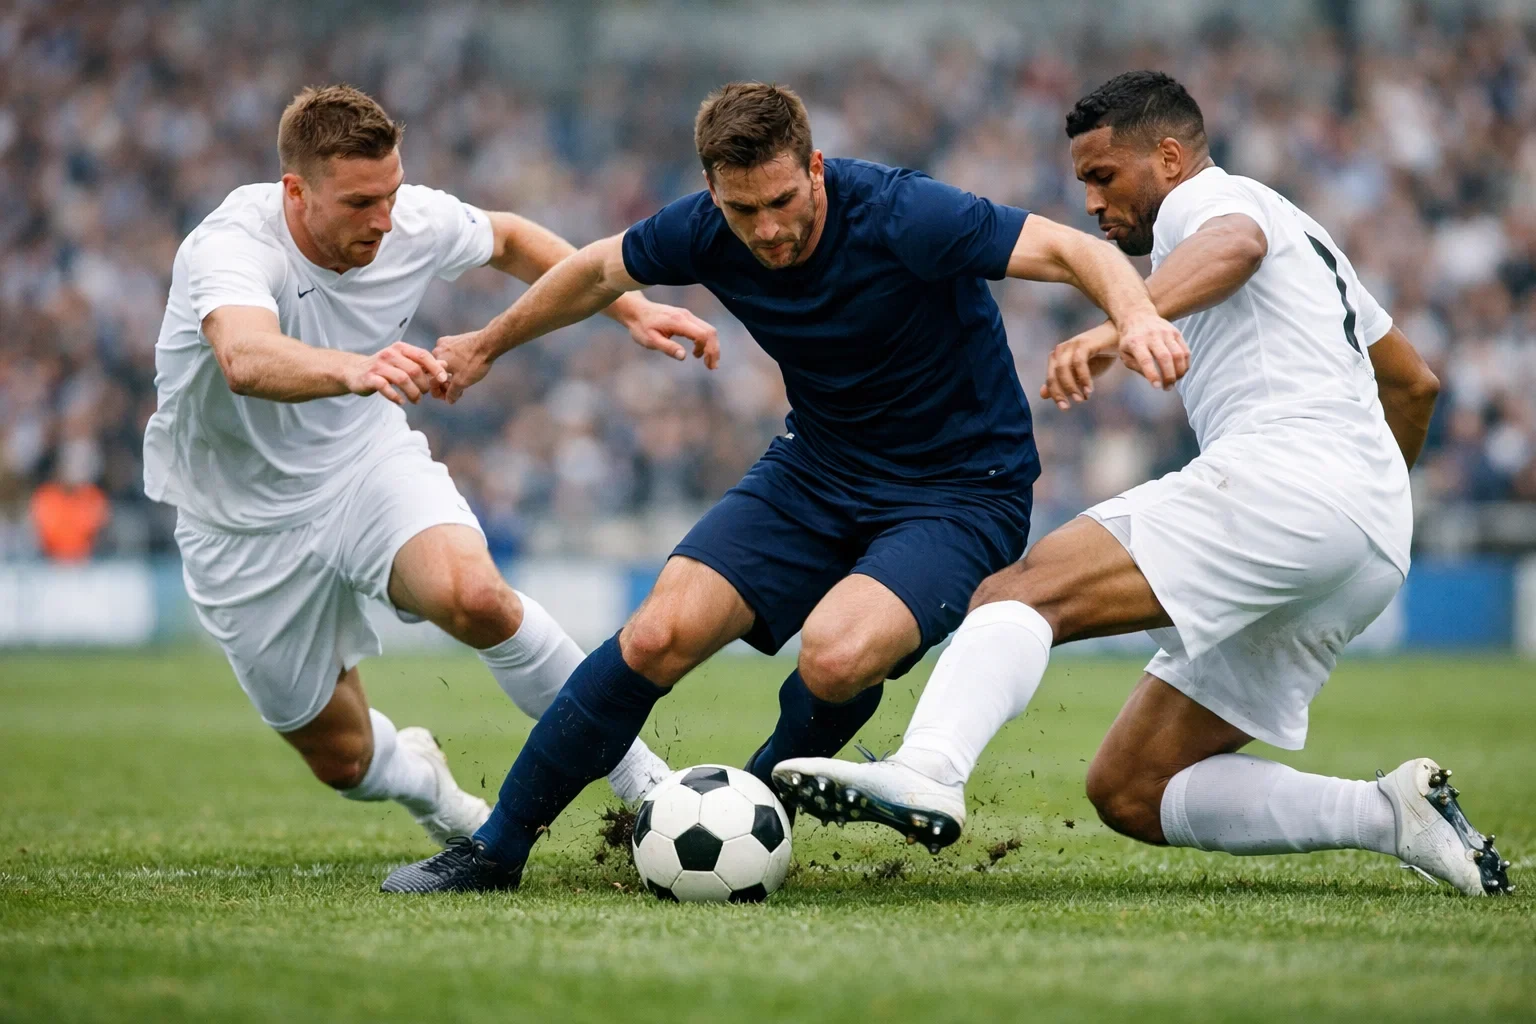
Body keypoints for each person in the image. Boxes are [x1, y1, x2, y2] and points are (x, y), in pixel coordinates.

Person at [380, 81, 1186, 892]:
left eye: (781, 201)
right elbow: (593, 271)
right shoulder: (702, 231)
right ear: (712, 193)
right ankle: (495, 850)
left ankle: (760, 799)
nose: (766, 229)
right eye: (742, 210)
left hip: (960, 490)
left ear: (816, 169)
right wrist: (485, 344)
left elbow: (1073, 251)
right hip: (816, 468)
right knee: (655, 635)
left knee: (835, 659)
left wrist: (1138, 317)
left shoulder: (905, 214)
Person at [773, 71, 1512, 896]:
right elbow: (1414, 385)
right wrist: (1363, 511)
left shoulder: (1212, 202)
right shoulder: (1310, 238)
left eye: (1103, 176)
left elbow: (1236, 245)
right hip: (1367, 541)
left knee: (1021, 591)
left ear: (1167, 157)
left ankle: (928, 770)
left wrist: (1126, 320)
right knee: (1133, 787)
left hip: (1290, 480)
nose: (1092, 202)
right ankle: (1389, 815)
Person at [143, 85, 709, 848]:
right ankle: (436, 794)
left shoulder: (411, 219)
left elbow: (510, 238)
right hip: (237, 522)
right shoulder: (230, 247)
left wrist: (629, 307)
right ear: (295, 191)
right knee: (343, 760)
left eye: (392, 192)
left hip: (362, 465)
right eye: (359, 202)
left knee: (477, 598)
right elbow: (244, 357)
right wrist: (355, 367)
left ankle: (650, 787)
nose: (384, 218)